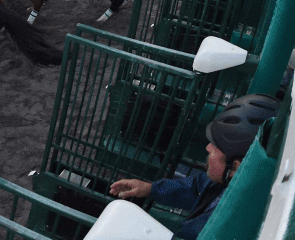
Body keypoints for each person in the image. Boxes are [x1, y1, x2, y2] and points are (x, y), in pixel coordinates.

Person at [108, 94, 279, 240]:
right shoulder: (230, 183)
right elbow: (196, 189)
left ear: (235, 167)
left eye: (216, 148)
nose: (208, 148)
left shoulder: (234, 223)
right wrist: (151, 189)